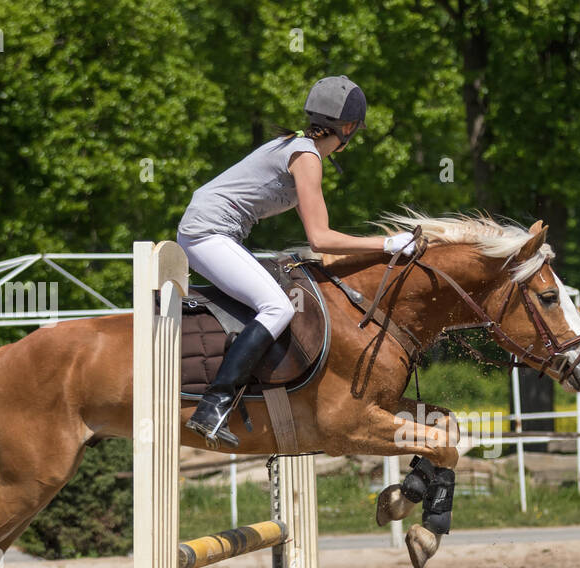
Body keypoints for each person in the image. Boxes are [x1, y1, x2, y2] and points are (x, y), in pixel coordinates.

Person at [176, 76, 417, 448]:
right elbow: (321, 238)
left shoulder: (297, 146)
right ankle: (214, 405)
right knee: (276, 308)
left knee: (278, 297)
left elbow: (325, 250)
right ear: (349, 128)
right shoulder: (306, 156)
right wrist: (389, 244)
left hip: (216, 232)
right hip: (207, 234)